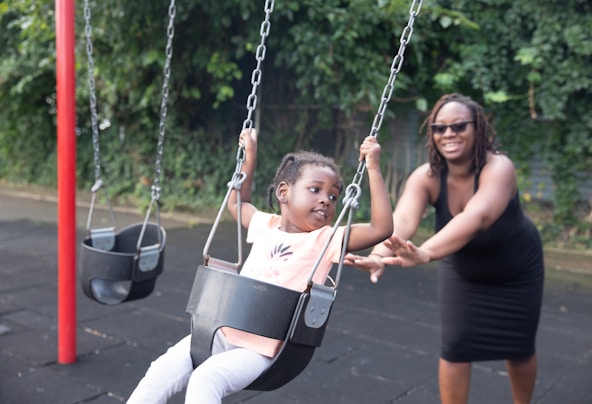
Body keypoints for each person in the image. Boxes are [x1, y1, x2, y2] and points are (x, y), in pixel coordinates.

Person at [127, 128, 393, 404]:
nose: (326, 200)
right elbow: (237, 203)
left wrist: (373, 167)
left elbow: (381, 228)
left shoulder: (326, 239)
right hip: (221, 330)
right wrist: (249, 156)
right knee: (161, 369)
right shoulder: (265, 224)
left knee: (207, 378)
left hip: (263, 350)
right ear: (283, 192)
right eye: (315, 190)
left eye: (334, 196)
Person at [345, 93, 544, 404]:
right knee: (455, 348)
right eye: (439, 128)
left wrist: (426, 253)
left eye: (458, 126)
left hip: (516, 271)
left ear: (477, 129)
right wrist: (378, 255)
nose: (448, 134)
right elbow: (404, 220)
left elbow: (477, 216)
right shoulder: (426, 177)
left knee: (518, 351)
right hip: (463, 270)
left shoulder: (499, 167)